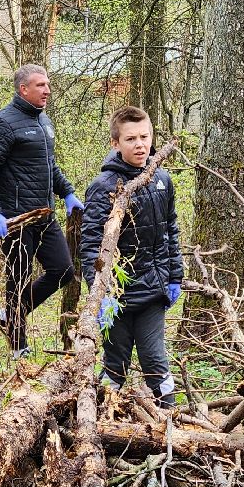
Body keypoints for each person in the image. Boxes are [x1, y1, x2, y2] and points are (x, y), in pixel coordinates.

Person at [0, 63, 85, 358]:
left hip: (44, 215)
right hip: (16, 219)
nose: (47, 90)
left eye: (48, 84)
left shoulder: (44, 122)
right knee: (18, 278)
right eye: (40, 85)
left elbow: (49, 166)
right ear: (23, 89)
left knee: (63, 271)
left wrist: (68, 193)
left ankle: (9, 314)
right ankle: (19, 346)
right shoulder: (2, 124)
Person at [80, 105, 183, 407]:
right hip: (117, 295)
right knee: (116, 364)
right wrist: (100, 293)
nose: (140, 145)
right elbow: (91, 247)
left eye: (145, 137)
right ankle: (94, 417)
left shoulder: (162, 180)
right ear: (116, 143)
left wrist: (175, 276)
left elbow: (170, 231)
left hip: (153, 290)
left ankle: (171, 421)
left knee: (155, 359)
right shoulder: (103, 188)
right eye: (131, 139)